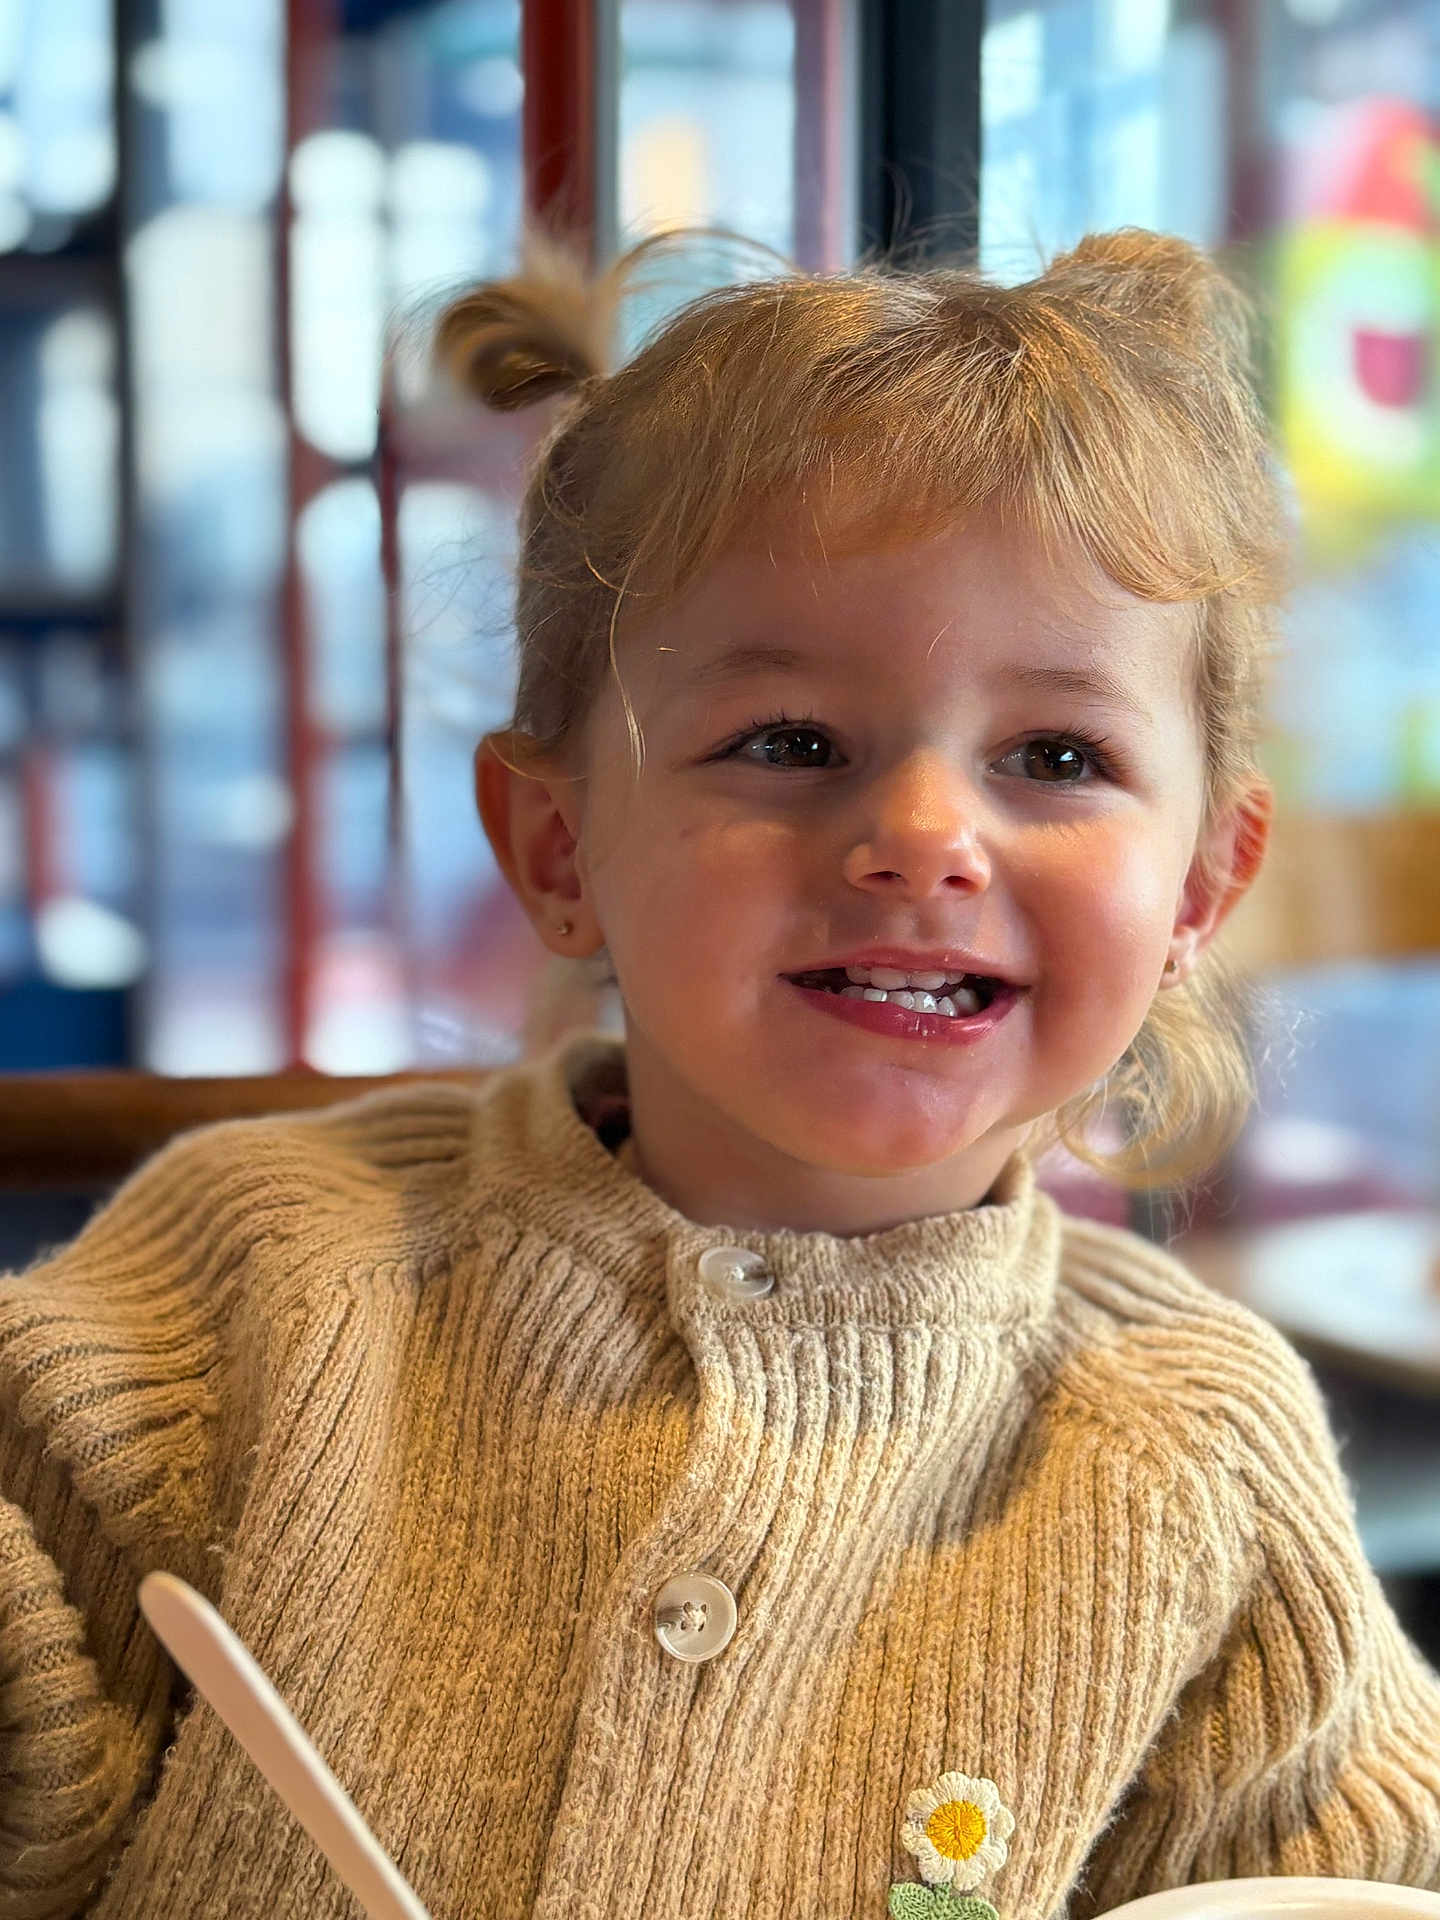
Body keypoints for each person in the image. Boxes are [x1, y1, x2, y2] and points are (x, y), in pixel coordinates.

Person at [2, 229, 1437, 1920]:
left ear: (1198, 888)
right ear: (559, 845)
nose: (924, 836)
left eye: (1057, 755)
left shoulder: (1197, 1454)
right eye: (790, 744)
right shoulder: (263, 1272)